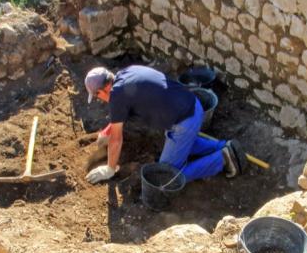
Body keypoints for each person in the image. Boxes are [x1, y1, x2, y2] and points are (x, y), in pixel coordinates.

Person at [82, 65, 246, 184]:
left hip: (184, 123)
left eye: (97, 97)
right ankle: (223, 146)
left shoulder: (116, 95)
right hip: (193, 106)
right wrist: (107, 131)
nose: (100, 100)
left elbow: (116, 140)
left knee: (166, 179)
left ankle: (222, 159)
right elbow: (121, 116)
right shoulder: (127, 73)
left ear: (102, 91)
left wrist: (110, 168)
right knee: (183, 143)